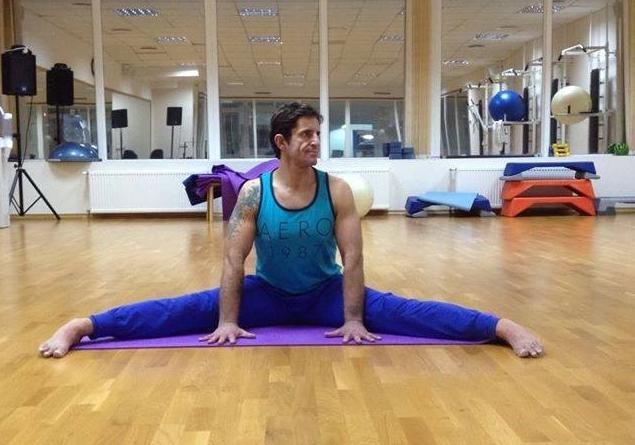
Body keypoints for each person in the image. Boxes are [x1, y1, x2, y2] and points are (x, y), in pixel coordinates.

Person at [39, 102, 543, 359]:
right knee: (183, 310)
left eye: (317, 134)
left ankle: (499, 327)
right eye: (305, 135)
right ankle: (84, 325)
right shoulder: (254, 193)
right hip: (266, 294)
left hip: (326, 294)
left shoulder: (337, 190)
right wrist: (229, 320)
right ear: (281, 142)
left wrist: (352, 318)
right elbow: (233, 260)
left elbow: (354, 259)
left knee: (405, 311)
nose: (315, 142)